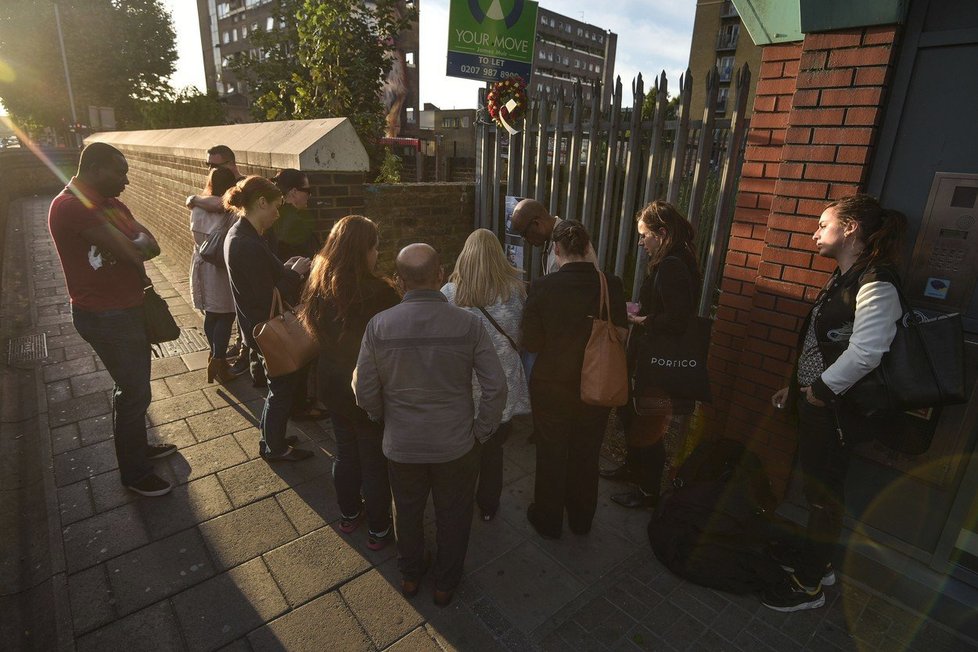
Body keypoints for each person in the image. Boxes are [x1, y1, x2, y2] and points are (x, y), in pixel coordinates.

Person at [764, 194, 906, 612]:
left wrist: (819, 392)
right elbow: (820, 342)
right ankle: (819, 564)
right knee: (816, 490)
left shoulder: (877, 280)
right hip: (815, 402)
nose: (814, 233)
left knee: (824, 496)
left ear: (850, 229)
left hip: (835, 410)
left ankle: (809, 587)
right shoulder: (845, 276)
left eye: (823, 225)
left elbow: (867, 351)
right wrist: (795, 386)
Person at [354, 243, 507, 607]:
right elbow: (496, 387)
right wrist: (481, 431)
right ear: (441, 276)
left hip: (402, 443)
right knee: (454, 515)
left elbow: (364, 389)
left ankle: (409, 576)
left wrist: (381, 417)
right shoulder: (469, 324)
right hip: (456, 443)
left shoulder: (379, 326)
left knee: (406, 510)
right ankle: (445, 583)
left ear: (399, 281)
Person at [48, 142, 175, 497]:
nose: (126, 181)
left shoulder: (110, 203)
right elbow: (133, 249)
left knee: (137, 390)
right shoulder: (72, 206)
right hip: (105, 316)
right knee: (133, 392)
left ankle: (139, 448)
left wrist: (134, 240)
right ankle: (135, 474)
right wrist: (133, 240)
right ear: (96, 168)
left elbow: (152, 247)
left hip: (127, 309)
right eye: (120, 172)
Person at [521, 220, 627, 539]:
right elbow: (621, 332)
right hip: (597, 385)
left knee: (551, 453)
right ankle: (581, 519)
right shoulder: (612, 284)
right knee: (586, 453)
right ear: (587, 246)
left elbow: (532, 343)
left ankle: (548, 519)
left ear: (556, 249)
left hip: (552, 386)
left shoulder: (541, 287)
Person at [299, 215, 398, 550]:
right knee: (373, 460)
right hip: (368, 387)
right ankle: (380, 529)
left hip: (333, 383)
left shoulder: (319, 284)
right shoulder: (381, 293)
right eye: (375, 246)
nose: (376, 253)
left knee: (345, 452)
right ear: (364, 250)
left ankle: (349, 513)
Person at [601, 201, 701, 509]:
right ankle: (633, 469)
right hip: (651, 356)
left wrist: (642, 320)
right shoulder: (678, 258)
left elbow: (677, 318)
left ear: (662, 232)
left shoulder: (672, 264)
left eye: (645, 235)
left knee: (649, 423)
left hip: (657, 361)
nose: (641, 242)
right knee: (634, 415)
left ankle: (647, 491)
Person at [442, 229, 531, 522]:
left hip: (462, 386)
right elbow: (520, 335)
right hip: (500, 386)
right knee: (493, 450)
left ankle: (459, 502)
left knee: (463, 452)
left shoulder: (449, 294)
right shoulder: (514, 291)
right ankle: (489, 506)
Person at [224, 175, 314, 461]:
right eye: (275, 207)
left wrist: (285, 267)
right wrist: (295, 273)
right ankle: (274, 448)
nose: (278, 213)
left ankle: (271, 437)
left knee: (279, 387)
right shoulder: (246, 243)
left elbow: (263, 277)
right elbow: (267, 296)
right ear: (261, 202)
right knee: (281, 388)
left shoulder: (244, 234)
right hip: (265, 327)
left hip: (255, 324)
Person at [272, 168, 325, 420]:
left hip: (284, 289)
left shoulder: (276, 216)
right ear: (293, 193)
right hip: (294, 291)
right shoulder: (293, 221)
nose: (309, 197)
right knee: (300, 346)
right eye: (307, 191)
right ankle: (300, 405)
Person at [189, 166, 240, 384]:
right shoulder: (234, 209)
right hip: (223, 267)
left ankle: (213, 355)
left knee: (211, 314)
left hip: (204, 264)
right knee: (227, 315)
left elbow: (197, 236)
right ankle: (219, 362)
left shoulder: (198, 207)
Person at [508, 198, 597, 274]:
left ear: (537, 224)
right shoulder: (560, 236)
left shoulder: (565, 247)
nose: (524, 240)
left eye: (524, 234)